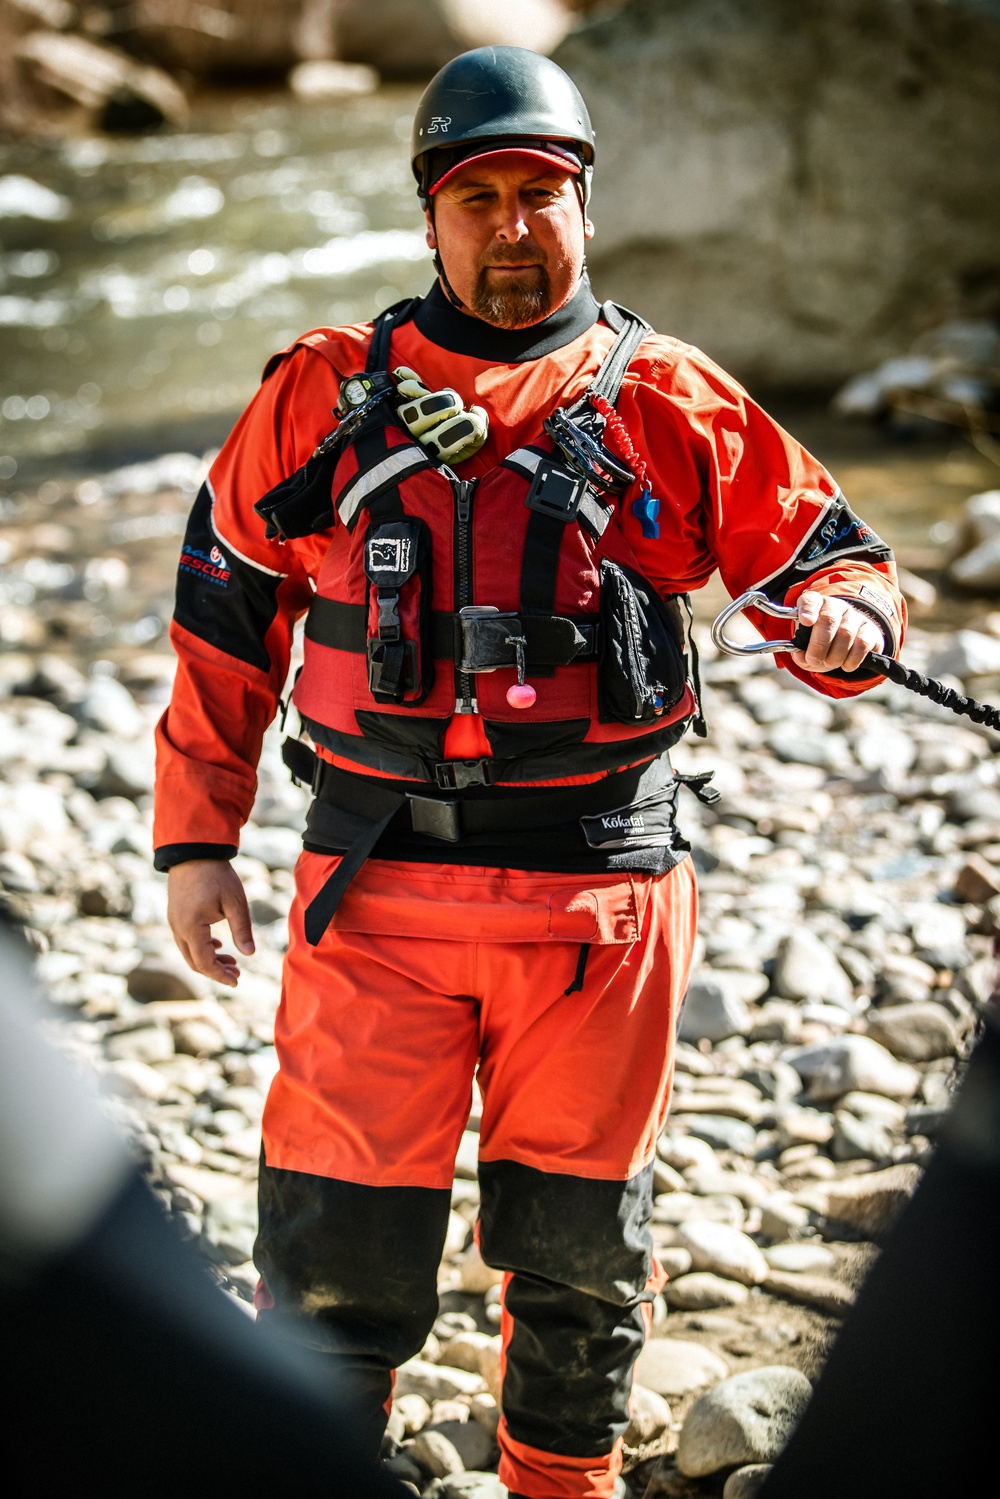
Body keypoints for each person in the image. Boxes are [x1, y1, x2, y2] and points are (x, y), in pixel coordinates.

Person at [154, 45, 905, 1499]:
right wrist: (197, 846)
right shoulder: (317, 397)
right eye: (478, 196)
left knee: (578, 1260)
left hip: (601, 911)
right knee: (330, 1256)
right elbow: (222, 621)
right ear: (431, 217)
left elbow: (837, 572)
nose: (512, 227)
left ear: (584, 210)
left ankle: (564, 1487)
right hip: (372, 897)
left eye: (540, 195)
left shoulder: (675, 401)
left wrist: (852, 623)